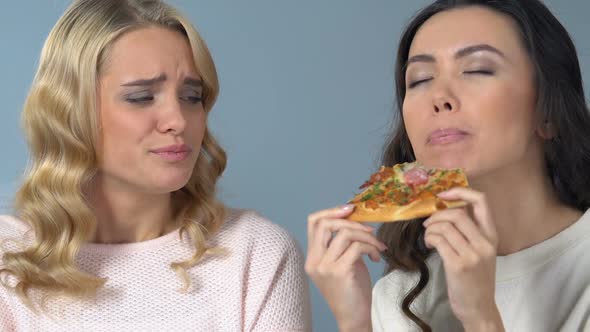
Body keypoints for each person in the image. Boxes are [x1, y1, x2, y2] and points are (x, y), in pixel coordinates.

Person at [0, 0, 310, 331]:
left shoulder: (256, 254)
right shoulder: (9, 260)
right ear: (70, 112)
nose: (178, 120)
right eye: (142, 97)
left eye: (192, 96)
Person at [306, 0, 590, 331]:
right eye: (420, 79)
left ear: (548, 111)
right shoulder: (401, 293)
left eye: (477, 70)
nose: (438, 96)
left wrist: (480, 316)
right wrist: (355, 322)